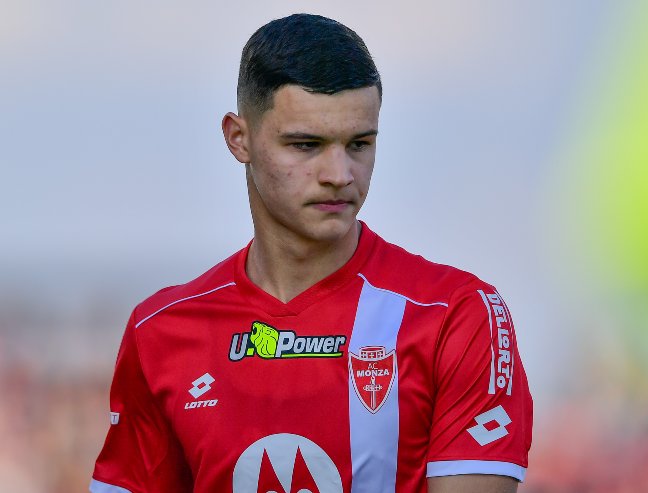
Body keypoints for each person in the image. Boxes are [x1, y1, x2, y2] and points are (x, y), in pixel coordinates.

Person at [89, 13, 532, 493]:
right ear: (240, 139)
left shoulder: (456, 314)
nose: (339, 173)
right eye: (307, 145)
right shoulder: (160, 331)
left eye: (359, 144)